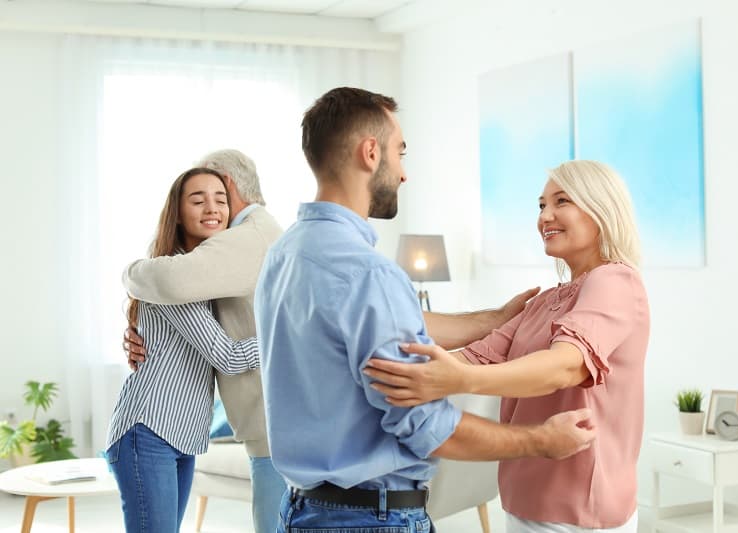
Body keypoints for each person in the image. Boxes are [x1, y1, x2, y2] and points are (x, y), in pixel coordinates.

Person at [254, 87, 598, 533]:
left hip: (301, 511)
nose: (404, 173)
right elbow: (426, 425)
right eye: (401, 152)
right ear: (371, 152)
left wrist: (490, 321)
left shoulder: (286, 254)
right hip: (369, 519)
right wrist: (541, 440)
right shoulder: (370, 274)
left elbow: (364, 328)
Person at [364, 160, 650, 533]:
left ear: (601, 208)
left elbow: (565, 365)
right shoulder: (548, 299)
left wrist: (458, 379)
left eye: (561, 202)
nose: (545, 216)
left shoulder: (616, 282)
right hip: (525, 499)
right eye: (541, 205)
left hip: (579, 509)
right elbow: (476, 356)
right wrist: (380, 365)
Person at [121, 149, 285, 533]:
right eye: (197, 198)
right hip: (155, 426)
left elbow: (171, 286)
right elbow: (218, 345)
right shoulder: (216, 256)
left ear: (228, 186)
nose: (211, 207)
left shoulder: (247, 238)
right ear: (178, 210)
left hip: (205, 429)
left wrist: (132, 277)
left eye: (217, 197)